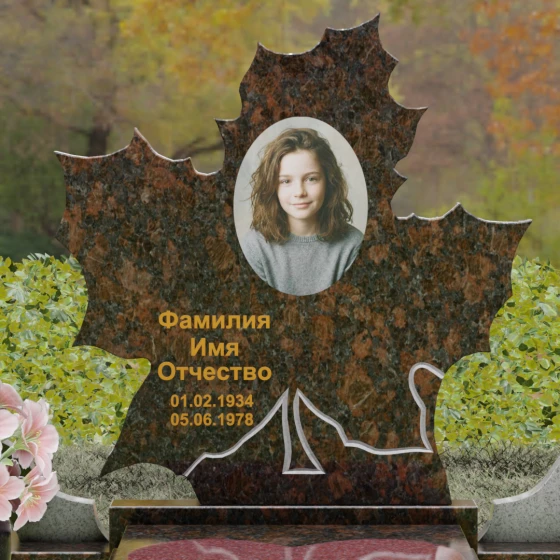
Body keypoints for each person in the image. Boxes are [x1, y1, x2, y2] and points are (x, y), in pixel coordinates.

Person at [241, 128, 363, 296]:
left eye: (311, 179)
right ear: (272, 187)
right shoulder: (254, 246)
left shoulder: (353, 245)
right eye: (286, 181)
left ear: (329, 182)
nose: (299, 192)